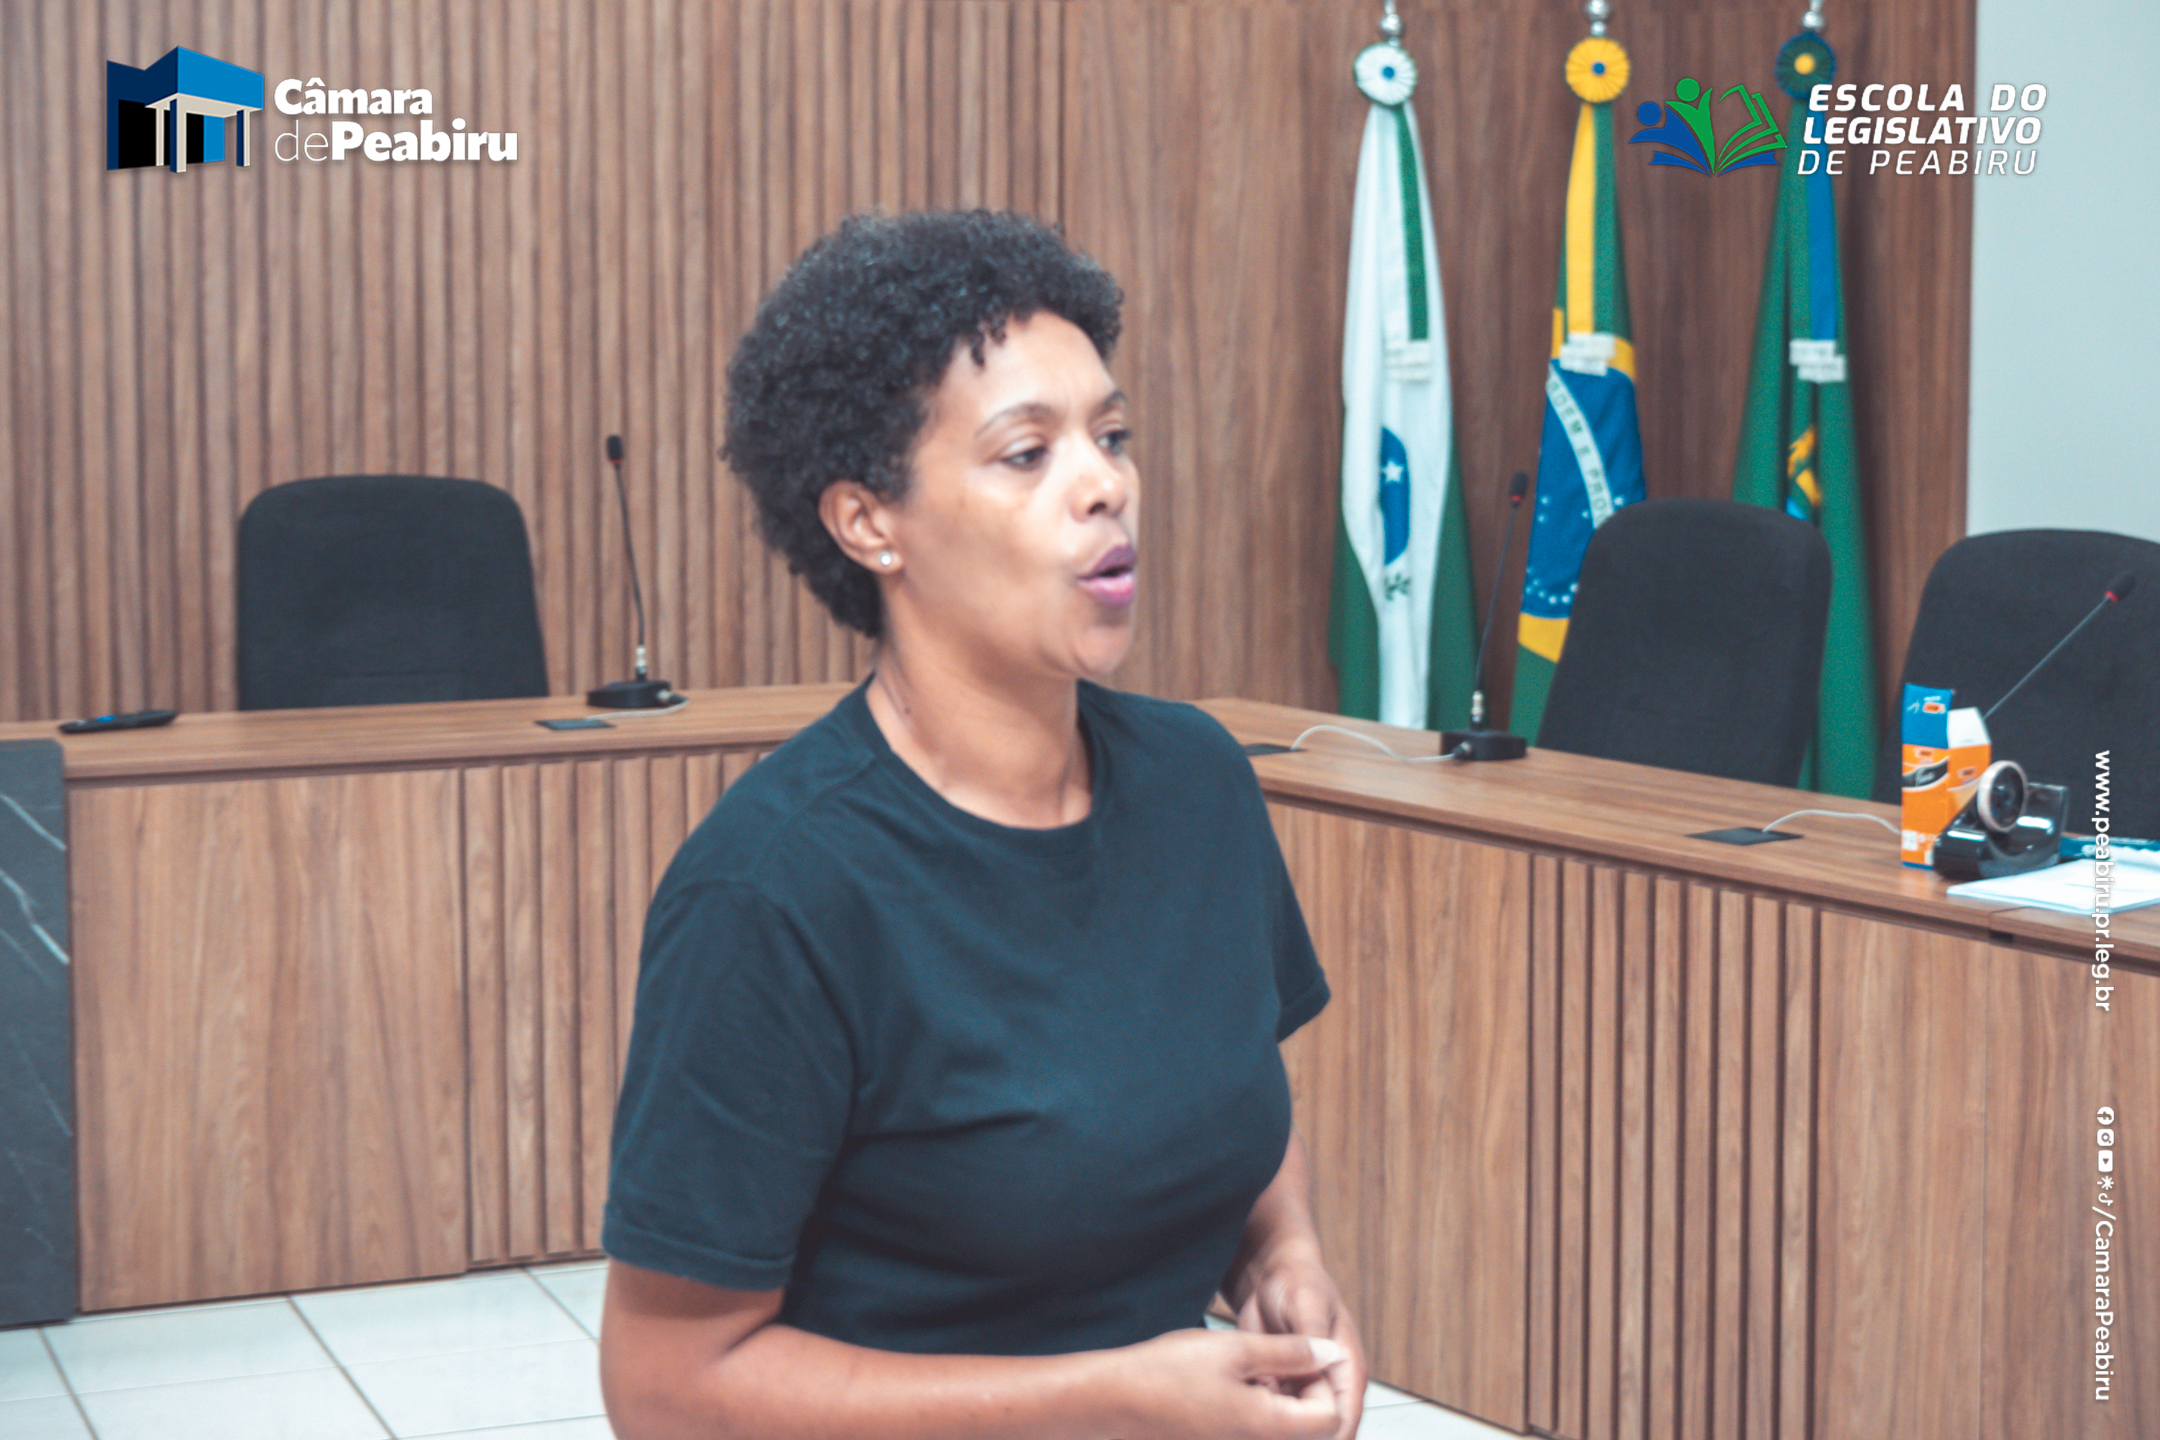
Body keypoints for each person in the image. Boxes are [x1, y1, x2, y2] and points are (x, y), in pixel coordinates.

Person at [597, 210, 1367, 1440]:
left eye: (1112, 436)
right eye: (1027, 453)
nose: (1106, 484)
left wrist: (1283, 1255)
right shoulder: (772, 890)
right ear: (870, 524)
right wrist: (1112, 1402)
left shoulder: (1199, 780)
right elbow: (664, 1391)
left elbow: (1229, 1090)